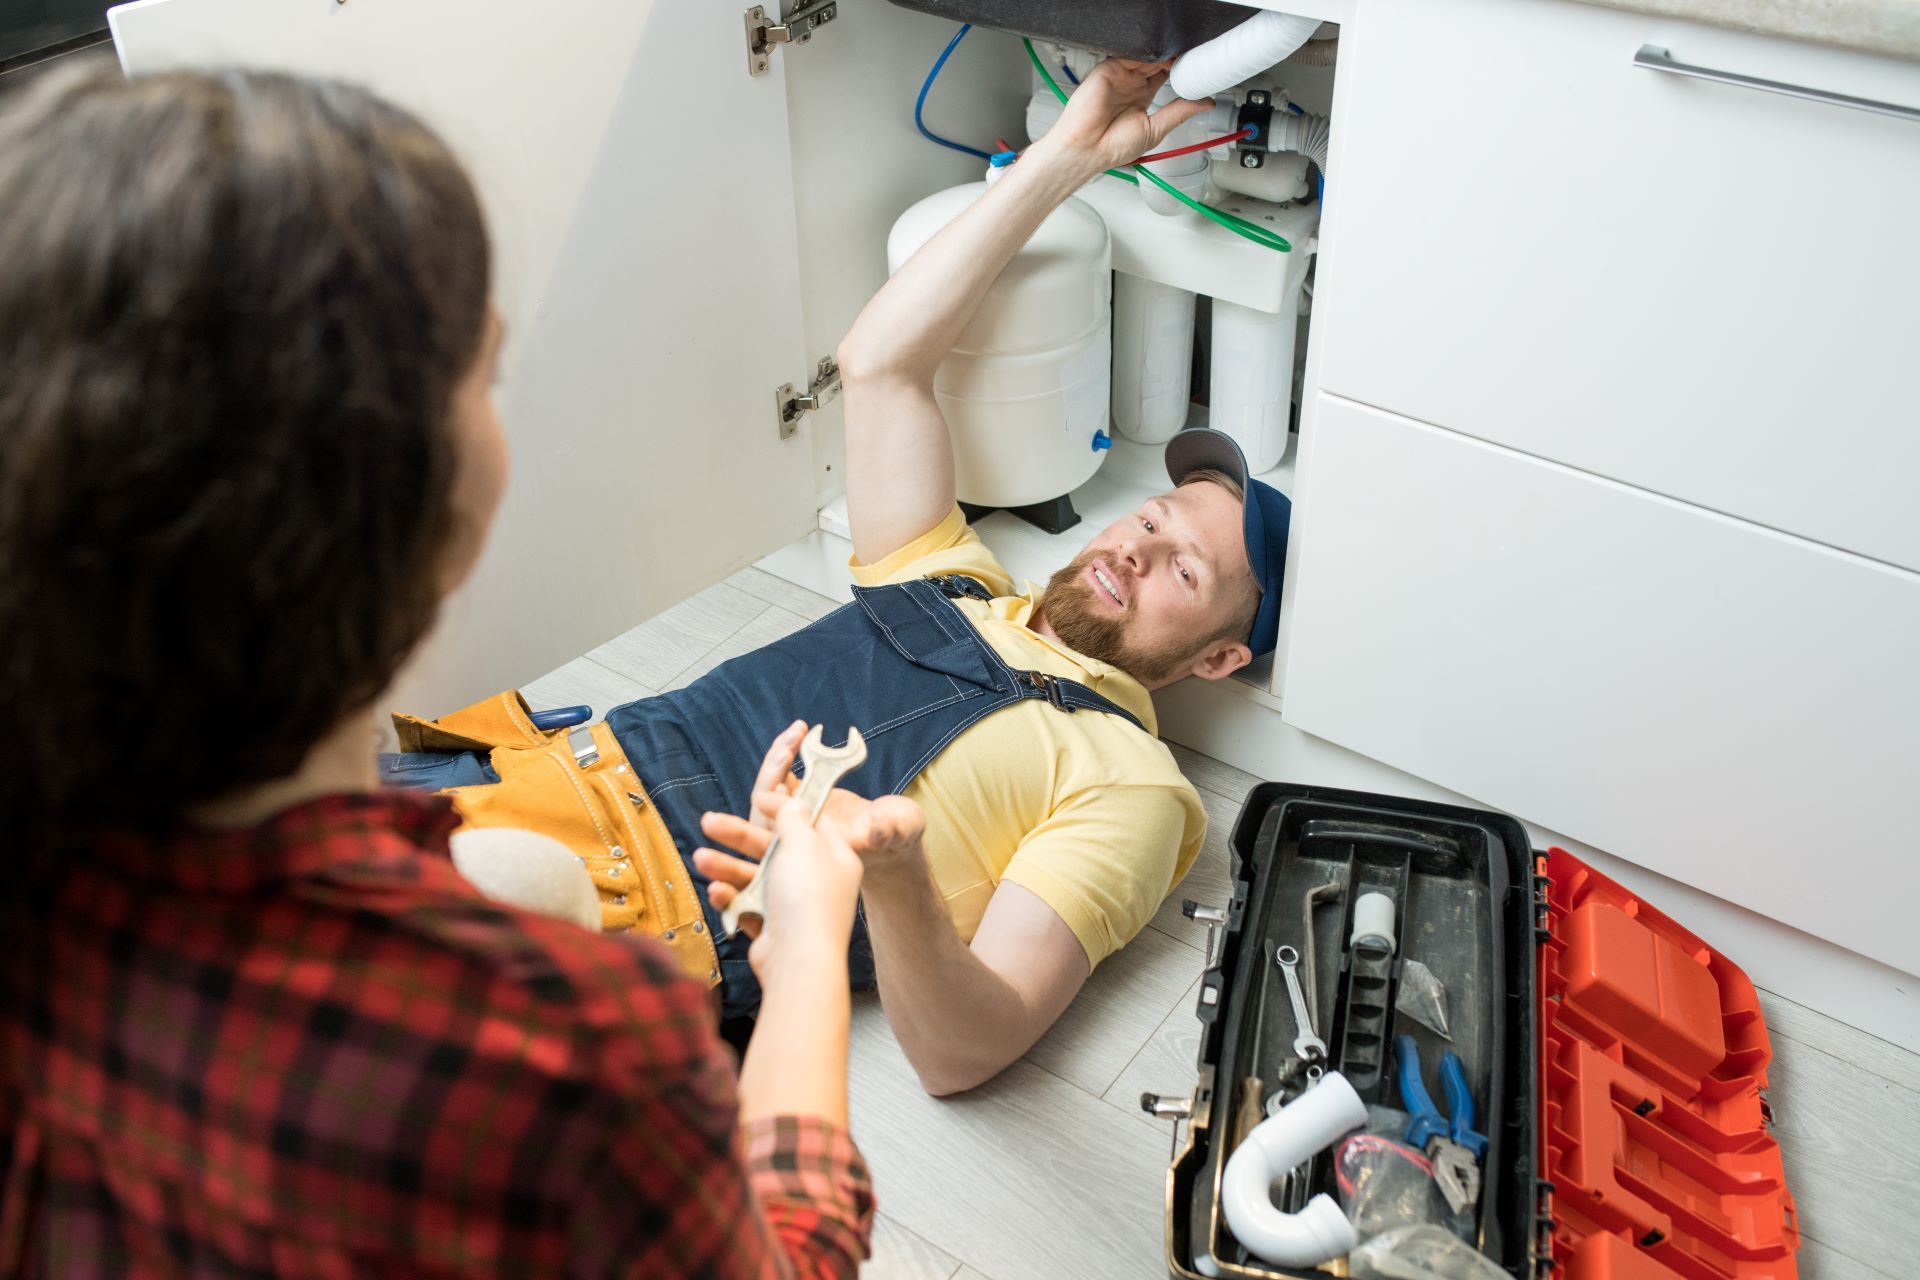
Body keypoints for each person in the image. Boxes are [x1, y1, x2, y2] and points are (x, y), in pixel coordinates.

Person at [0, 66, 876, 1277]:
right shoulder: (567, 1057)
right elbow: (791, 1257)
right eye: (489, 372)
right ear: (415, 498)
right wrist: (810, 953)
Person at [392, 57, 1293, 1097]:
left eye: (1184, 566)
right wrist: (1070, 159)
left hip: (624, 900)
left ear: (1221, 654)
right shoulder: (957, 577)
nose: (1135, 545)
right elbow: (881, 363)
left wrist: (900, 880)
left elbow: (965, 1049)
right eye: (1152, 515)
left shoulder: (1133, 787)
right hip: (509, 762)